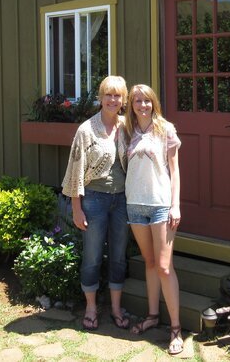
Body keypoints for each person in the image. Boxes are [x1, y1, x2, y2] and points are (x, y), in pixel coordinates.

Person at [61, 75, 130, 331]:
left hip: (122, 200)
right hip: (94, 201)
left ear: (123, 100)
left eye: (117, 95)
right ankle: (91, 307)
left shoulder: (127, 127)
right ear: (100, 98)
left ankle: (115, 307)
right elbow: (75, 171)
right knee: (92, 256)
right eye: (108, 95)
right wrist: (76, 209)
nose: (113, 100)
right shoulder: (87, 130)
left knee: (118, 256)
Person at [124, 84, 183, 355]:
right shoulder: (128, 130)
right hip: (135, 205)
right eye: (137, 101)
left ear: (154, 103)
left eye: (146, 100)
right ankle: (152, 316)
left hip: (161, 205)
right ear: (131, 105)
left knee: (164, 266)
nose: (142, 105)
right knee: (149, 262)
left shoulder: (165, 129)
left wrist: (175, 205)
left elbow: (175, 170)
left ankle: (176, 328)